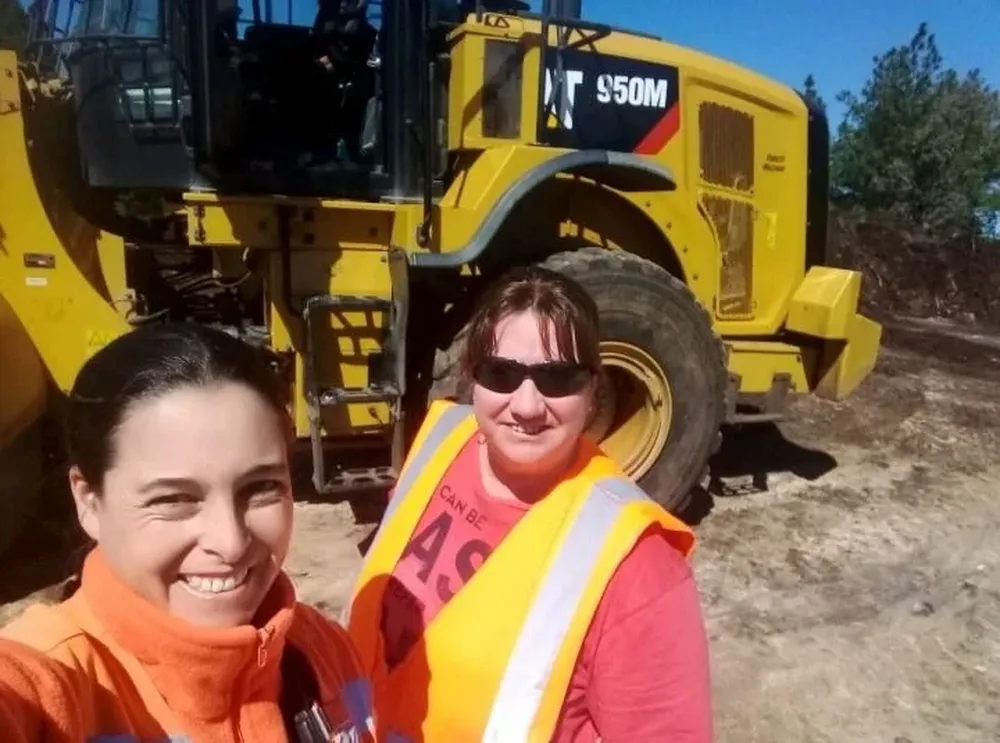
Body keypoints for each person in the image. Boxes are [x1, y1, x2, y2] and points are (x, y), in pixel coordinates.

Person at [346, 265, 715, 742]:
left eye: (557, 378)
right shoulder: (439, 442)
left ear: (594, 389)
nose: (526, 406)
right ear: (472, 376)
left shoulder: (639, 570)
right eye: (501, 373)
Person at [0, 323, 376, 743]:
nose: (230, 543)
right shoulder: (53, 680)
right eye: (173, 499)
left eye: (260, 487)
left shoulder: (324, 650)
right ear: (88, 502)